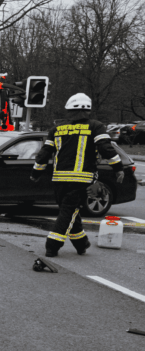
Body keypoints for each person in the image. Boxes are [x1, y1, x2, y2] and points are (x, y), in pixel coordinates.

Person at [31, 92, 124, 257]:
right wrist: (118, 168)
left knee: (69, 210)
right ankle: (52, 245)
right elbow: (105, 148)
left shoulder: (56, 129)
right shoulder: (95, 126)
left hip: (59, 180)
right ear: (87, 110)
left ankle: (82, 244)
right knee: (69, 212)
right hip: (81, 179)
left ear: (69, 111)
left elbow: (44, 153)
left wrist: (36, 172)